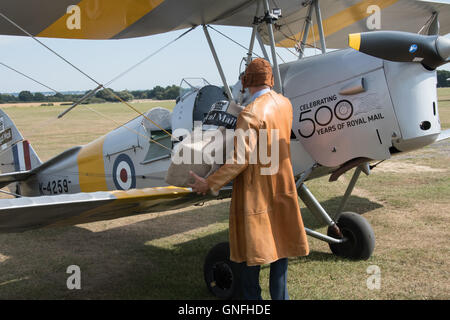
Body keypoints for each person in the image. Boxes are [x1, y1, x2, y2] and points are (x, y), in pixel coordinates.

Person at [189, 58, 309, 300]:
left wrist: (209, 182)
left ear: (246, 82)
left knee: (249, 259)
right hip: (282, 187)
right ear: (270, 80)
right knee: (280, 250)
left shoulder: (250, 114)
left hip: (256, 195)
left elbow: (239, 160)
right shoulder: (285, 104)